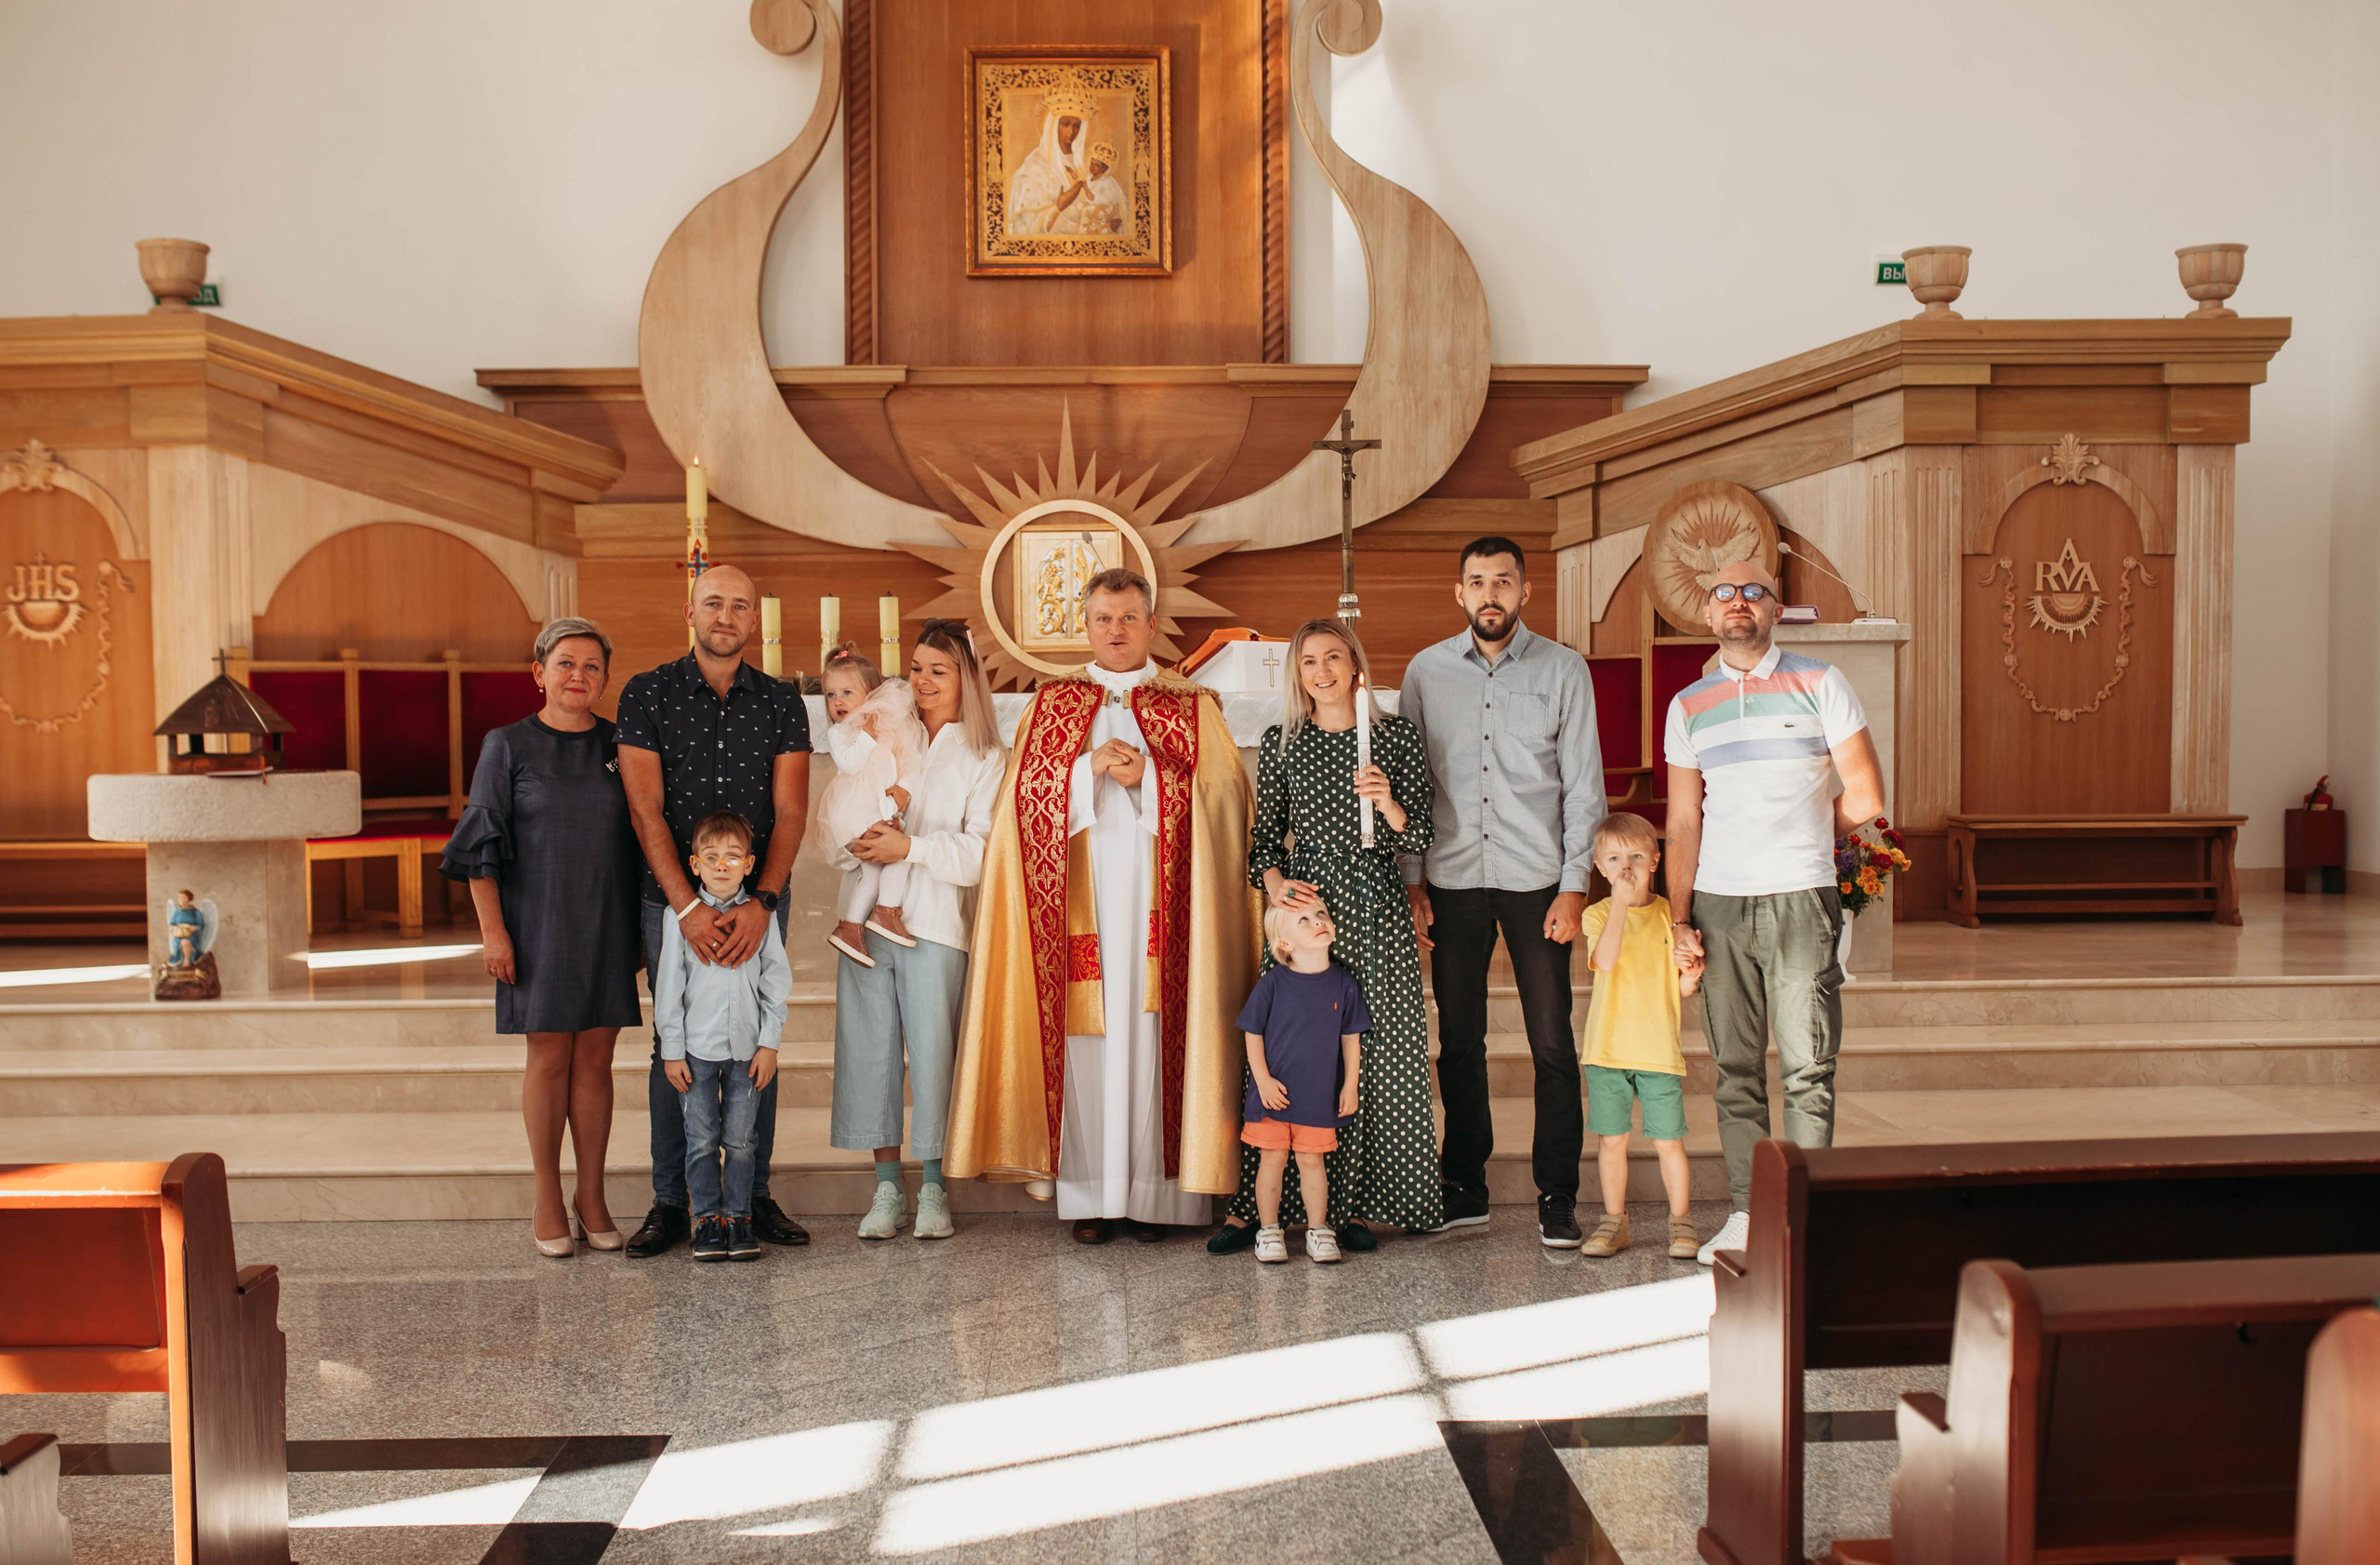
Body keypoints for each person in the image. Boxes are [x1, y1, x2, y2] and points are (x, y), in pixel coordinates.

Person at [946, 568, 1262, 1244]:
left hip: (1165, 906)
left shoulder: (1192, 702)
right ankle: (1091, 1196)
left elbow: (1228, 804)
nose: (1115, 630)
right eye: (1102, 619)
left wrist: (1149, 776)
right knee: (1089, 1041)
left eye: (1128, 618)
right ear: (1085, 626)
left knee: (1154, 1035)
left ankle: (1159, 1198)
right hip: (1078, 908)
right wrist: (1082, 771)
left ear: (1152, 625)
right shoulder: (1050, 705)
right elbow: (1016, 812)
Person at [1664, 559, 1884, 1266]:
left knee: (1807, 1065)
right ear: (1707, 613)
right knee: (1733, 1065)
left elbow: (1867, 796)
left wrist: (1805, 834)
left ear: (1776, 608)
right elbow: (1683, 821)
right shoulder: (1689, 705)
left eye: (1754, 592)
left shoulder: (1822, 683)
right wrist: (1680, 917)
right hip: (1721, 903)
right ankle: (1746, 1210)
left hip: (1799, 896)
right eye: (1724, 593)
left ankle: (1803, 1213)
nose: (1739, 603)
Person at [1400, 536, 1606, 1247]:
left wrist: (1575, 886)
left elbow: (1584, 788)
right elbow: (1413, 785)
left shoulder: (1563, 669)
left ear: (1525, 591)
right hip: (1453, 880)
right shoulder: (1426, 672)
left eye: (1504, 581)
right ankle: (1465, 1186)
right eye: (1477, 582)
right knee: (1458, 1040)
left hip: (1536, 882)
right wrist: (1413, 878)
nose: (1491, 594)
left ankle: (1558, 1192)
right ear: (1459, 593)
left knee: (1553, 1041)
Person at [1210, 618, 1438, 1256]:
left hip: (1375, 904)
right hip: (1307, 909)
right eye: (1308, 661)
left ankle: (1355, 1204)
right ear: (1297, 673)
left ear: (1354, 662)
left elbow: (1418, 834)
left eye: (1333, 656)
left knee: (1374, 1054)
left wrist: (1387, 801)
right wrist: (1278, 885)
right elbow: (1261, 847)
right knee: (1295, 1052)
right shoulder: (1283, 740)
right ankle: (1272, 1209)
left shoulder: (1394, 736)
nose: (1322, 670)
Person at [615, 564, 813, 1258]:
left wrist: (762, 901)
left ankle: (749, 1197)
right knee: (674, 1042)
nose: (725, 615)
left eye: (739, 605)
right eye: (712, 603)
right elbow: (644, 807)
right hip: (671, 897)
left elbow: (791, 810)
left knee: (759, 1035)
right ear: (689, 611)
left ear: (754, 619)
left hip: (756, 901)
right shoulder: (648, 693)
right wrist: (688, 907)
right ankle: (674, 1202)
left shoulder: (782, 701)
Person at [442, 617, 644, 1258]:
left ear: (605, 679)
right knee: (550, 1057)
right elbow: (480, 848)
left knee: (597, 1061)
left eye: (591, 666)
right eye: (565, 663)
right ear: (539, 672)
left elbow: (645, 838)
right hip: (538, 922)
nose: (577, 675)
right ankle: (546, 1195)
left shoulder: (622, 744)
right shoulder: (507, 745)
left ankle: (592, 1194)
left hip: (608, 920)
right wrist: (493, 932)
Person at [828, 621, 1005, 1240]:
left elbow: (983, 853)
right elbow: (847, 799)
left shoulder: (983, 753)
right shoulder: (882, 731)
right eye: (917, 667)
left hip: (933, 922)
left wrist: (912, 847)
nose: (923, 681)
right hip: (864, 918)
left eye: (939, 669)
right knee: (870, 1049)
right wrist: (860, 840)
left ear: (967, 677)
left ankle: (933, 1183)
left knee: (933, 1053)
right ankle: (885, 1189)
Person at [654, 811, 791, 1264]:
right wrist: (672, 1052)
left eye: (732, 857)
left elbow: (776, 983)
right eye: (710, 858)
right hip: (695, 1052)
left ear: (750, 864)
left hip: (747, 1052)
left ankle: (738, 1217)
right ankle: (706, 1220)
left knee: (740, 1140)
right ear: (693, 865)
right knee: (700, 1140)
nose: (721, 866)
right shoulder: (679, 921)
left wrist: (770, 1042)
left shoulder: (760, 919)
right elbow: (669, 989)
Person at [1578, 812, 1703, 1259]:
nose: (1625, 866)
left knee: (1669, 1140)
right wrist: (1617, 903)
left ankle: (1682, 1222)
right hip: (1607, 1050)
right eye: (1614, 858)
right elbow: (1606, 960)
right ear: (1600, 868)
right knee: (1611, 1140)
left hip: (1657, 1051)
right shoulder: (1596, 916)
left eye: (1635, 855)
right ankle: (1615, 1222)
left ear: (1655, 860)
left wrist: (1690, 974)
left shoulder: (1673, 917)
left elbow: (1682, 988)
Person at [1237, 901, 1368, 1265]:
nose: (1318, 922)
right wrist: (1261, 1080)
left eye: (1322, 915)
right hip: (1273, 1096)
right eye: (1305, 920)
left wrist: (1351, 1085)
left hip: (1319, 1096)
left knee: (1313, 1162)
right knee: (1272, 1160)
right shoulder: (1274, 983)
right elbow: (1252, 1033)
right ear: (1285, 944)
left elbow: (1350, 1038)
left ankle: (1319, 1230)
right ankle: (1268, 1230)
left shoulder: (1344, 983)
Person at [816, 649, 926, 964]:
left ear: (872, 694)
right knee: (898, 857)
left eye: (847, 693)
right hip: (854, 813)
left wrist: (904, 788)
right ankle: (884, 913)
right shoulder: (841, 733)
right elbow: (850, 765)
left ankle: (852, 927)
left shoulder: (888, 728)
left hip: (875, 809)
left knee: (877, 870)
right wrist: (866, 735)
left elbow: (908, 759)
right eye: (831, 694)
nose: (838, 701)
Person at [1008, 79, 1103, 236]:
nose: (1071, 131)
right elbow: (1024, 225)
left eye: (1076, 125)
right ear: (1052, 126)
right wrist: (1059, 207)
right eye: (1065, 124)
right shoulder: (1034, 166)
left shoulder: (1087, 164)